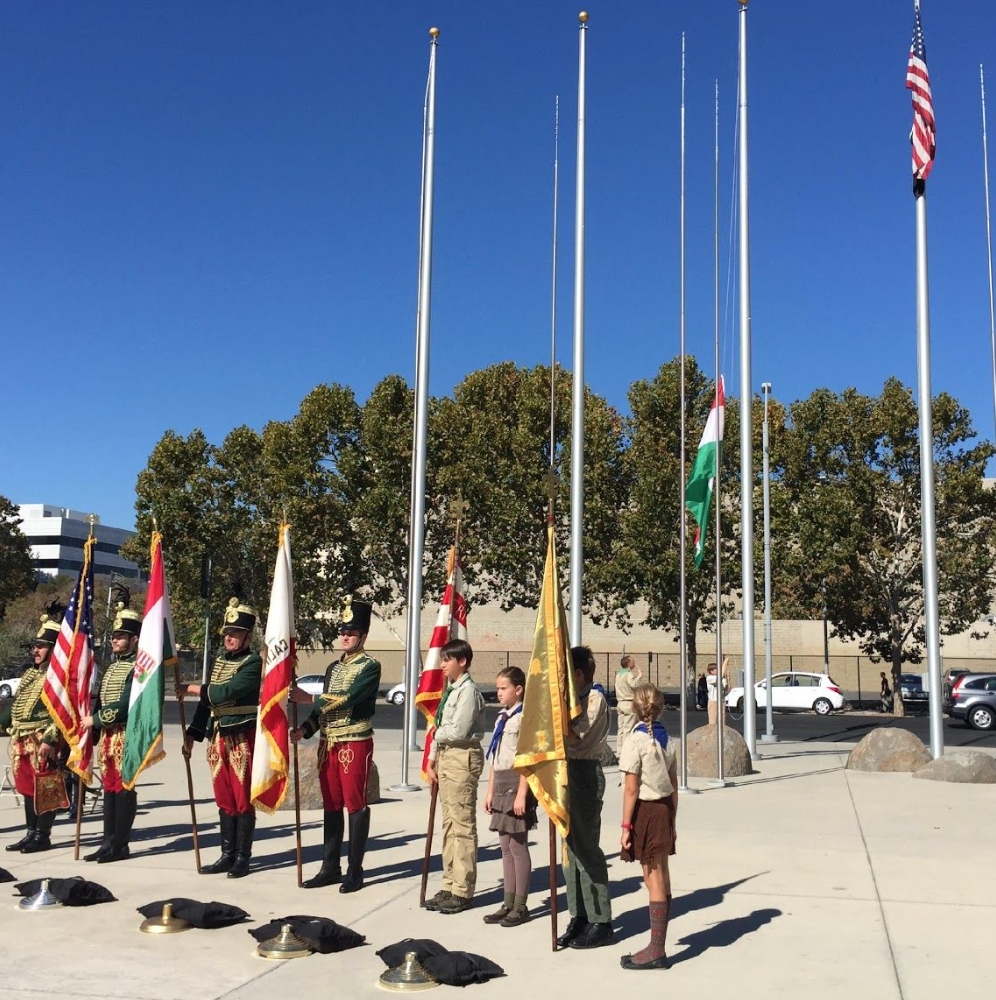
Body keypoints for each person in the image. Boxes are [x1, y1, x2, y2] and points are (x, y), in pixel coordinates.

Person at [290, 596, 381, 893]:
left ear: (362, 636)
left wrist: (310, 697)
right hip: (327, 744)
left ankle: (355, 871)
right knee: (331, 805)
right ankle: (330, 867)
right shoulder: (331, 668)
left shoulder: (370, 666)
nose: (345, 636)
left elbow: (349, 698)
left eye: (351, 632)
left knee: (355, 805)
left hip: (354, 743)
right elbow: (323, 711)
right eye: (342, 631)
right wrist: (305, 728)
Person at [179, 598, 262, 879]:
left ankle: (242, 857)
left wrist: (192, 688)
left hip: (241, 737)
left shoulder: (253, 663)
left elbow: (224, 693)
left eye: (235, 633)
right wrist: (193, 734)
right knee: (223, 798)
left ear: (247, 637)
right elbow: (207, 704)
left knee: (242, 799)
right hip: (217, 738)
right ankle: (226, 854)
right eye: (227, 632)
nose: (229, 637)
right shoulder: (219, 661)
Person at [557, 645, 614, 950]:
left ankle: (600, 919)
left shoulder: (594, 700)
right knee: (570, 853)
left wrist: (550, 715)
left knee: (587, 850)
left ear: (578, 674)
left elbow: (574, 733)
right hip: (566, 773)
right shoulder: (574, 699)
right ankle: (579, 914)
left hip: (585, 774)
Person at [424, 638, 486, 915]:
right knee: (448, 823)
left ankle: (462, 889)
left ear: (462, 661)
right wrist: (432, 760)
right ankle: (449, 882)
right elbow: (443, 728)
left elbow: (458, 730)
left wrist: (434, 734)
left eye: (447, 659)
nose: (442, 665)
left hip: (462, 756)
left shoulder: (467, 692)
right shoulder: (452, 691)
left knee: (462, 823)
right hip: (447, 756)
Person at [619, 683, 678, 970]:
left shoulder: (636, 741)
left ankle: (657, 950)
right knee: (662, 874)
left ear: (634, 706)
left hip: (647, 810)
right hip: (665, 808)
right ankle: (657, 944)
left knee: (653, 877)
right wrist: (674, 820)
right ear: (660, 707)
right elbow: (674, 784)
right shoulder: (668, 739)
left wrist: (626, 826)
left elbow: (631, 789)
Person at [80, 605, 142, 863]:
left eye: (120, 637)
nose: (114, 640)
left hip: (126, 735)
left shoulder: (139, 668)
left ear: (134, 640)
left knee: (124, 789)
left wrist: (94, 719)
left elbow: (127, 702)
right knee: (109, 789)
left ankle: (120, 844)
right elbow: (101, 702)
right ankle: (107, 842)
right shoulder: (113, 668)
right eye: (114, 636)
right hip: (107, 737)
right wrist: (92, 732)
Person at [0, 617, 63, 853]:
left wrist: (50, 739)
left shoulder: (57, 676)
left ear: (54, 649)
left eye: (41, 646)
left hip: (42, 738)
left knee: (45, 786)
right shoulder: (31, 674)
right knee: (27, 787)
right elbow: (17, 705)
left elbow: (62, 711)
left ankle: (42, 835)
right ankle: (30, 832)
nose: (35, 650)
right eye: (35, 646)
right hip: (22, 738)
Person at [482, 665, 536, 927]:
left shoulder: (524, 718)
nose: (499, 693)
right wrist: (489, 791)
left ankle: (521, 905)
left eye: (503, 688)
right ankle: (508, 902)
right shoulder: (502, 717)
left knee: (517, 846)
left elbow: (526, 759)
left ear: (518, 689)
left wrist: (522, 795)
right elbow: (495, 758)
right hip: (501, 782)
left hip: (517, 783)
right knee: (505, 847)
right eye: (497, 689)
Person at [614, 654, 641, 758]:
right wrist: (639, 676)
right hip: (628, 702)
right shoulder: (629, 674)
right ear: (629, 663)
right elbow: (634, 685)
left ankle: (619, 752)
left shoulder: (618, 674)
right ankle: (626, 752)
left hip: (620, 703)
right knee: (628, 729)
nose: (634, 663)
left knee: (620, 729)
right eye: (632, 661)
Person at [706, 657, 730, 726]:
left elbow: (728, 689)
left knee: (722, 722)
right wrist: (725, 662)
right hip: (713, 701)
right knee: (713, 722)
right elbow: (719, 678)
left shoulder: (722, 678)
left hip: (721, 701)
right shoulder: (709, 678)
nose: (718, 670)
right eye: (716, 669)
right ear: (711, 671)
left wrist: (728, 678)